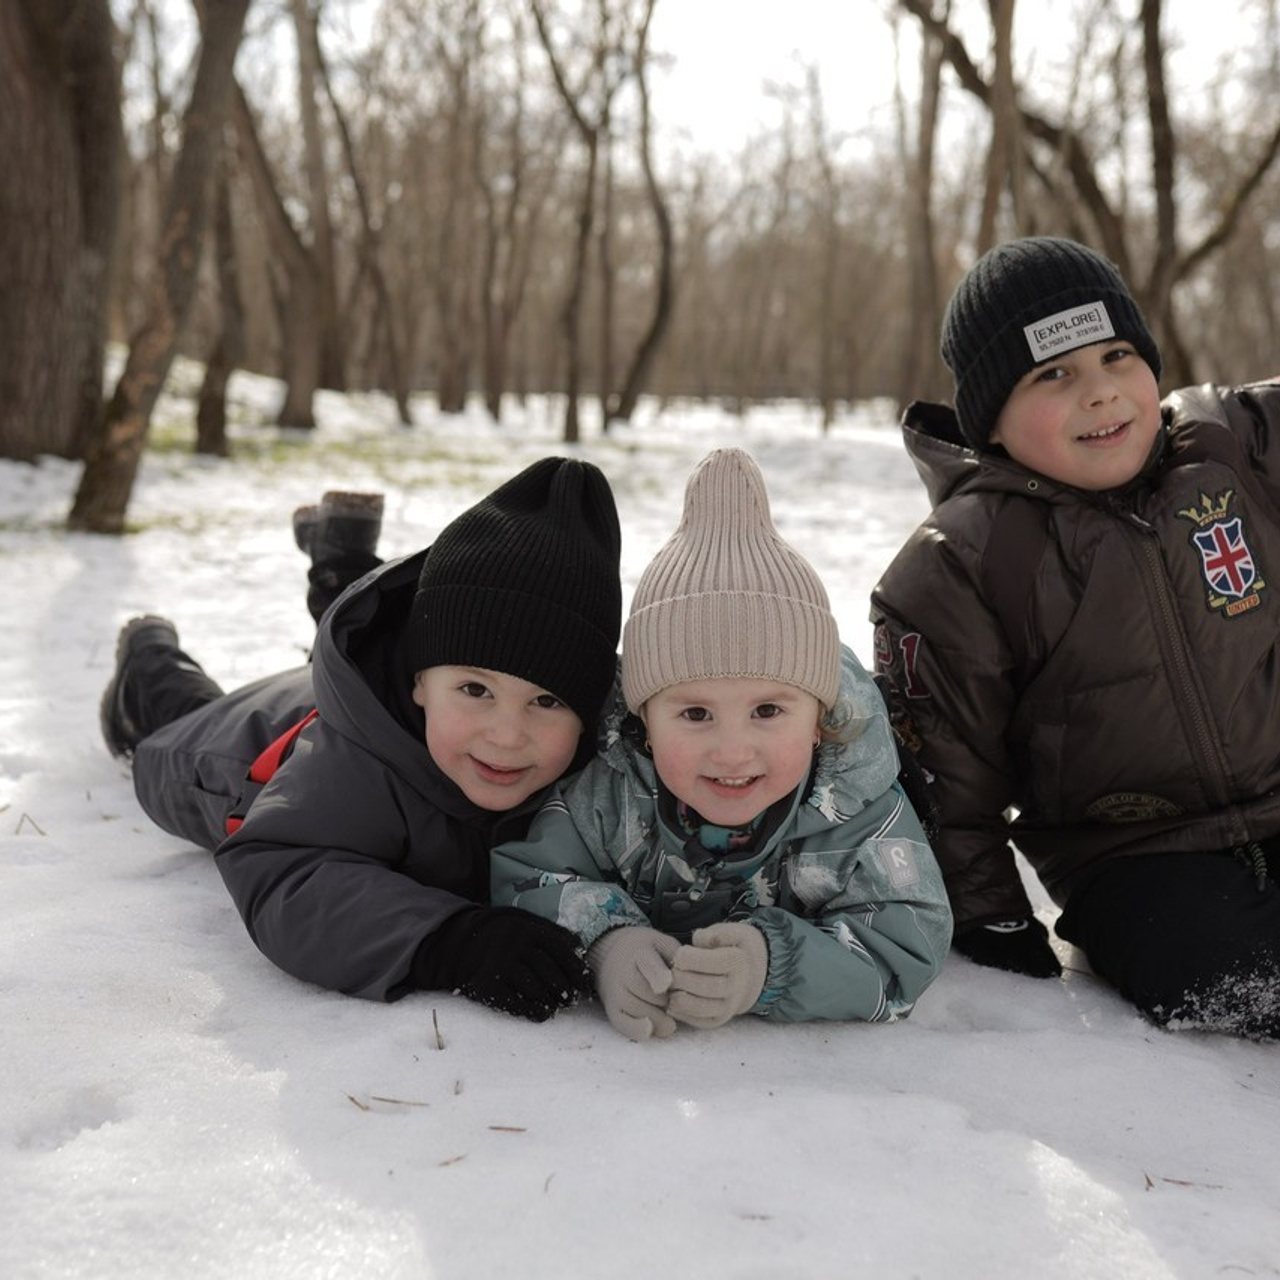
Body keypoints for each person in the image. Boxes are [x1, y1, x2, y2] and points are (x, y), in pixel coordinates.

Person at [870, 234, 1280, 1038]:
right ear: (991, 420)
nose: (1101, 393)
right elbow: (949, 775)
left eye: (1117, 356)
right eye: (1053, 374)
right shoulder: (963, 563)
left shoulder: (1231, 448)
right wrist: (990, 915)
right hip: (1133, 858)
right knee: (1225, 969)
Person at [100, 457, 624, 1022]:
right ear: (419, 681)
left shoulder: (607, 761)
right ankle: (149, 654)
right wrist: (449, 940)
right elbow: (286, 873)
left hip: (368, 691)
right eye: (476, 689)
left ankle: (341, 565)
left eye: (547, 701)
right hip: (245, 744)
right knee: (172, 716)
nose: (506, 735)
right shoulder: (349, 767)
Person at [491, 448, 952, 1042]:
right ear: (643, 722)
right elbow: (529, 880)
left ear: (818, 718)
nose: (733, 751)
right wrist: (607, 944)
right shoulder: (607, 790)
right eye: (695, 713)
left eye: (767, 711)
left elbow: (906, 941)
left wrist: (772, 967)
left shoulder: (862, 809)